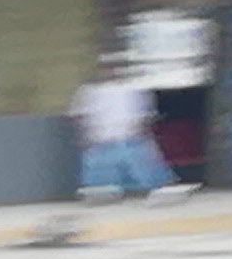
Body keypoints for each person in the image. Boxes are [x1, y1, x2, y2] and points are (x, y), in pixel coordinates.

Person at [71, 65, 172, 203]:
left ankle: (160, 192)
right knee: (99, 181)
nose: (112, 71)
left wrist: (142, 133)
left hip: (130, 139)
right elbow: (80, 116)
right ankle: (101, 195)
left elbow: (145, 115)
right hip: (101, 142)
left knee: (151, 175)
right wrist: (85, 137)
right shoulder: (89, 91)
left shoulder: (133, 89)